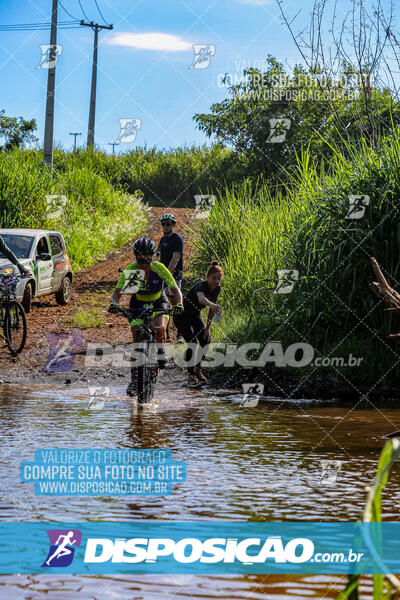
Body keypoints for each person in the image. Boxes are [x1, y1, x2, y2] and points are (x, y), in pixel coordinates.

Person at [109, 236, 183, 396]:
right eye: (140, 261)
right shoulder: (131, 270)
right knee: (137, 339)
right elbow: (117, 293)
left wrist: (178, 304)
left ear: (153, 257)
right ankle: (135, 381)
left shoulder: (160, 268)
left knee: (159, 327)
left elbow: (176, 290)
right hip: (137, 303)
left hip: (158, 301)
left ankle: (160, 350)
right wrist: (114, 304)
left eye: (147, 261)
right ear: (136, 258)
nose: (143, 265)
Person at [173, 260, 223, 388]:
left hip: (195, 315)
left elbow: (213, 310)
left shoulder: (217, 289)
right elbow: (201, 299)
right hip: (182, 316)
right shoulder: (200, 286)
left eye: (219, 279)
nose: (216, 281)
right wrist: (212, 304)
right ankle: (190, 375)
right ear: (207, 277)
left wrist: (208, 328)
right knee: (193, 343)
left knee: (206, 340)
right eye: (213, 278)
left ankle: (197, 369)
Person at [157, 213, 184, 343]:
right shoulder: (162, 240)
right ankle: (166, 335)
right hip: (164, 275)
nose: (165, 226)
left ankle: (180, 335)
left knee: (176, 305)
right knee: (165, 305)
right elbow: (159, 257)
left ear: (173, 225)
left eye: (168, 224)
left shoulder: (177, 239)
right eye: (163, 224)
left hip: (174, 275)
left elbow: (176, 257)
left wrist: (167, 272)